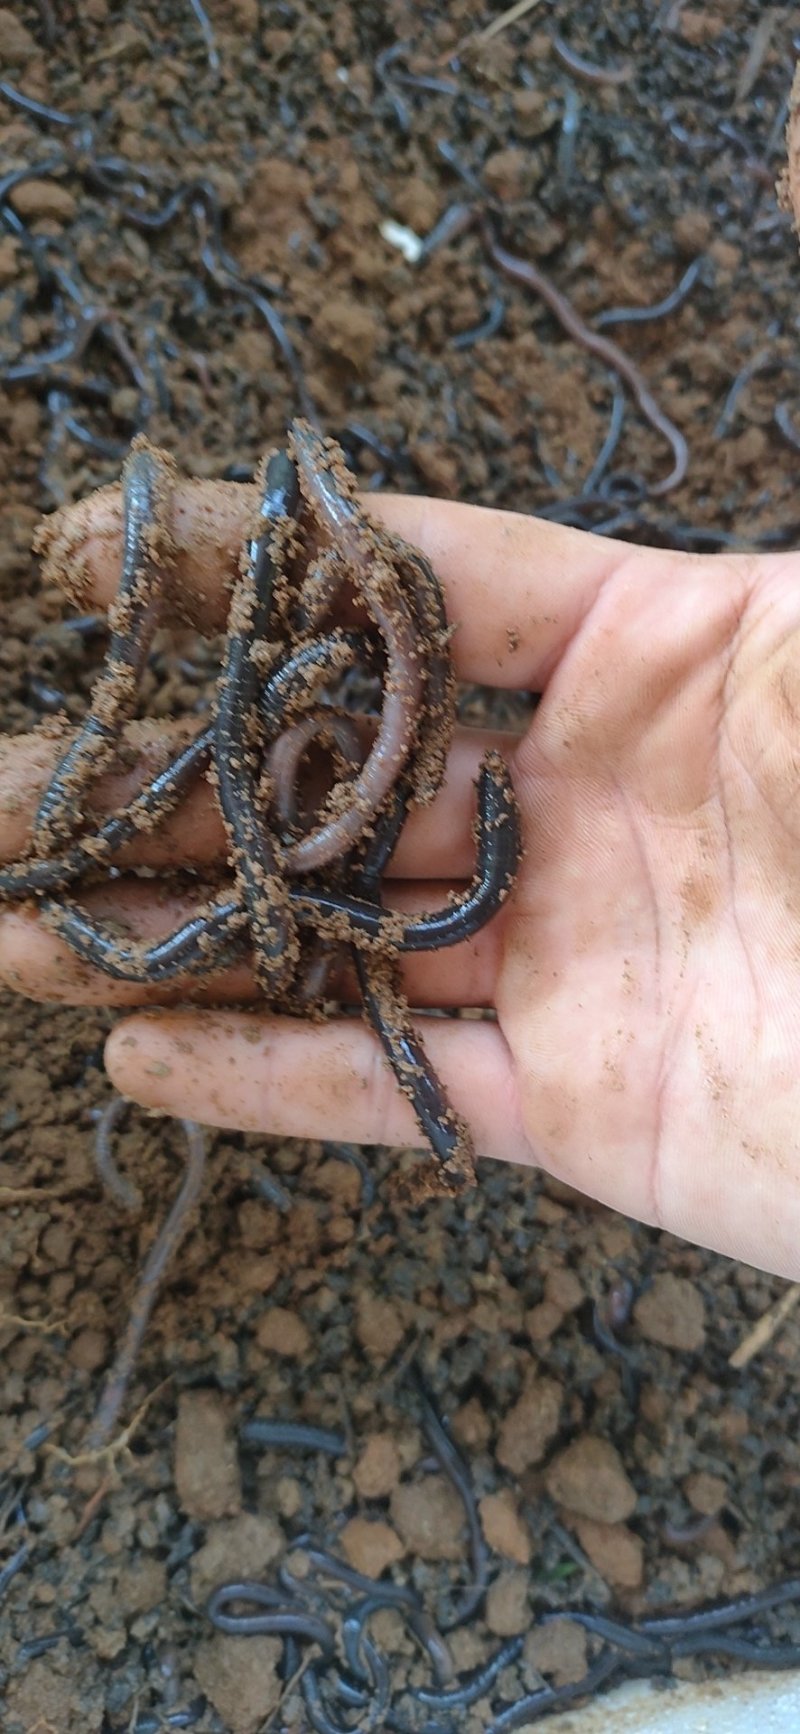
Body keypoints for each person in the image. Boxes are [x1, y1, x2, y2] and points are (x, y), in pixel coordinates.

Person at [0, 480, 798, 1281]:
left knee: (263, 895)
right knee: (235, 888)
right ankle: (64, 883)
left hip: (331, 856)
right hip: (311, 852)